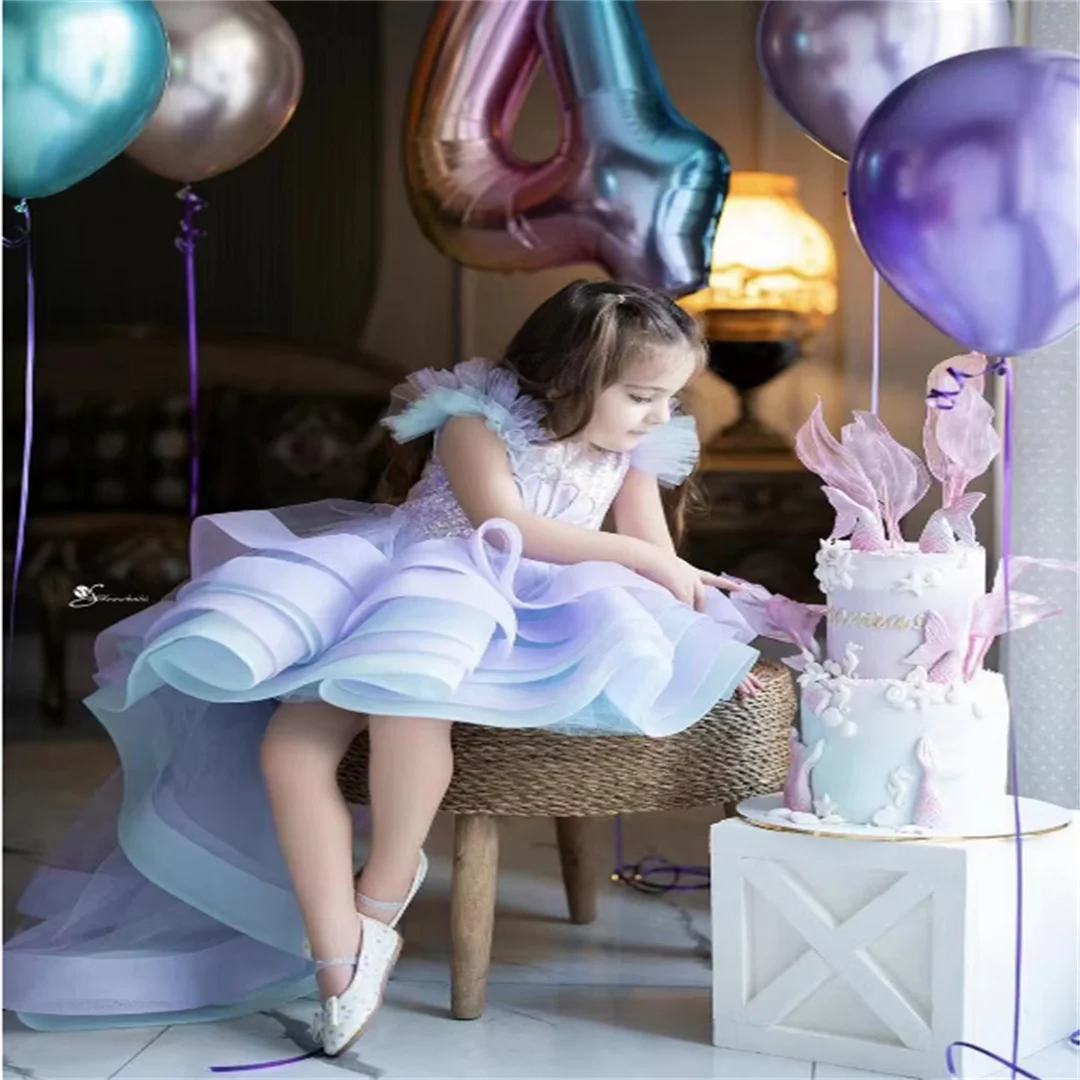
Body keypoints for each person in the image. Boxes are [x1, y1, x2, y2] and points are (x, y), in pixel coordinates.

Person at [4, 280, 761, 1056]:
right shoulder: (476, 420)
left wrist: (699, 638)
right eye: (640, 395)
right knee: (290, 749)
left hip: (523, 607)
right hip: (410, 579)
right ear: (572, 376)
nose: (658, 416)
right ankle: (341, 954)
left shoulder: (636, 451)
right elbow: (508, 524)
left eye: (668, 397)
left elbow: (657, 561)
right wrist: (635, 554)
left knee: (407, 697)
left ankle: (380, 896)